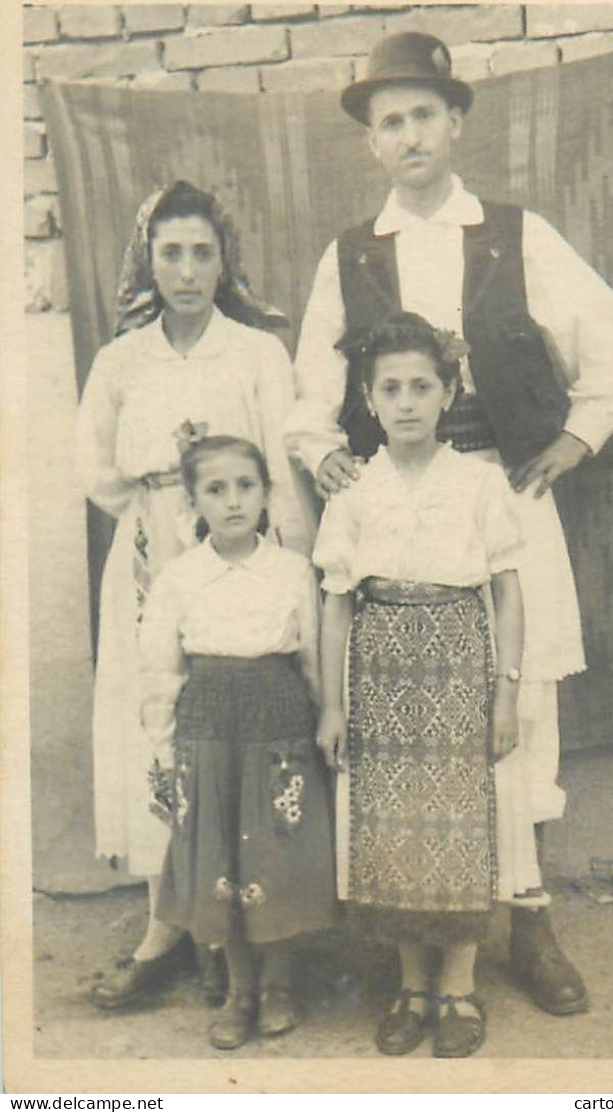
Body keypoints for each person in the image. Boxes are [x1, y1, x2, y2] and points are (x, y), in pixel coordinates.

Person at [285, 31, 613, 1017]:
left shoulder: (516, 236)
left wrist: (573, 439)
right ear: (371, 141)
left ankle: (526, 918)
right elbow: (307, 398)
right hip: (399, 511)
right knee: (409, 726)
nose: (407, 134)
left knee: (518, 707)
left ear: (456, 122)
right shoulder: (351, 254)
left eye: (421, 114)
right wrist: (323, 450)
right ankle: (411, 921)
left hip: (502, 493)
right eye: (387, 120)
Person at [76, 181, 314, 1009]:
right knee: (155, 728)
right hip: (147, 560)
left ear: (224, 261)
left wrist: (274, 570)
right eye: (170, 252)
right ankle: (164, 925)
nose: (185, 270)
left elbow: (281, 480)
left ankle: (249, 927)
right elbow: (96, 470)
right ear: (149, 259)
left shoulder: (256, 354)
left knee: (233, 738)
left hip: (240, 561)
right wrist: (157, 524)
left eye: (201, 253)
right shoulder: (121, 359)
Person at [314, 312, 544, 1057]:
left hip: (458, 667)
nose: (406, 401)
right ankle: (411, 987)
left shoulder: (477, 485)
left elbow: (506, 591)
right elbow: (335, 601)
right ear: (368, 397)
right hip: (379, 672)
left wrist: (505, 692)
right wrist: (331, 704)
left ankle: (459, 988)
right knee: (394, 831)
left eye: (422, 386)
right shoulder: (353, 492)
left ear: (449, 393)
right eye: (391, 388)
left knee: (460, 826)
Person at [139, 434, 335, 1050]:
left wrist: (326, 717)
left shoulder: (293, 571)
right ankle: (238, 988)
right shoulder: (178, 578)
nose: (232, 502)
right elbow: (162, 671)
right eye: (215, 489)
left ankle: (278, 984)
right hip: (208, 726)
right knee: (220, 855)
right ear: (193, 501)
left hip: (278, 722)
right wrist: (166, 750)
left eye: (245, 486)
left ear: (266, 494)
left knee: (274, 852)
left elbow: (311, 658)